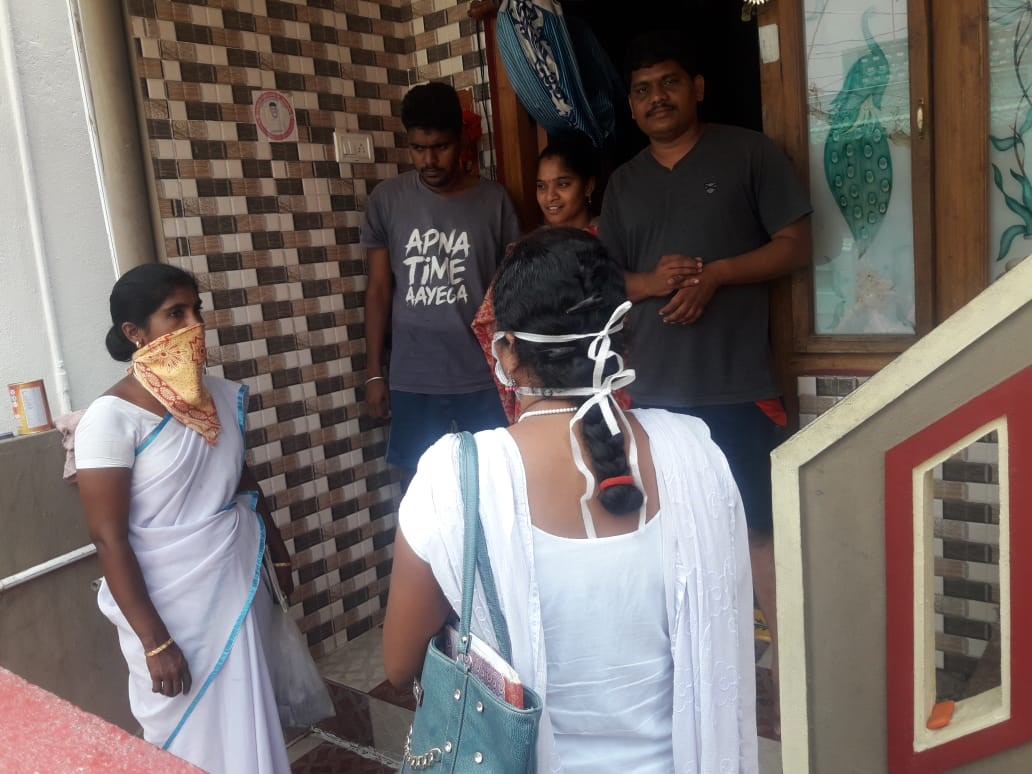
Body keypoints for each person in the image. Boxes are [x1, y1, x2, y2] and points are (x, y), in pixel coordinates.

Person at [384, 228, 757, 773]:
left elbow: (399, 665)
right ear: (622, 343)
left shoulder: (455, 476)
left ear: (505, 351)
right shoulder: (694, 452)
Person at [598, 30, 813, 732]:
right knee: (663, 538)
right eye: (641, 90)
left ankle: (790, 681)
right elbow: (603, 281)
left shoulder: (748, 153)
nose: (655, 98)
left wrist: (717, 274)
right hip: (653, 395)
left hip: (736, 384)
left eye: (668, 82)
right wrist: (651, 282)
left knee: (759, 532)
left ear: (696, 88)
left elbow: (795, 245)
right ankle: (675, 672)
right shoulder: (624, 183)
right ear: (632, 106)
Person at [74, 264, 295, 773]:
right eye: (175, 314)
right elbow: (108, 538)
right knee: (187, 738)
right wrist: (156, 643)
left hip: (234, 586)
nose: (194, 324)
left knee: (246, 716)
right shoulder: (109, 418)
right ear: (135, 332)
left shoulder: (215, 396)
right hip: (169, 612)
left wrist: (279, 557)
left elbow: (242, 481)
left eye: (196, 310)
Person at [361, 81, 522, 486]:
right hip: (414, 375)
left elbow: (514, 290)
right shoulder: (387, 199)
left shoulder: (495, 201)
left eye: (441, 147)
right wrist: (374, 373)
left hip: (484, 374)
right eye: (418, 148)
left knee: (494, 482)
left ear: (462, 141)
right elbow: (378, 290)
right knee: (419, 487)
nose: (429, 160)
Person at [472, 133, 625, 422]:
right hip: (541, 385)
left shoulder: (613, 241)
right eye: (542, 186)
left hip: (605, 376)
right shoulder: (526, 251)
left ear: (588, 186)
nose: (550, 197)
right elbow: (488, 319)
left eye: (563, 184)